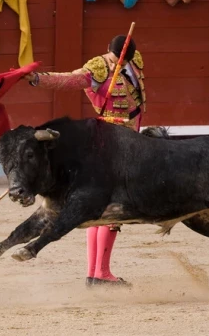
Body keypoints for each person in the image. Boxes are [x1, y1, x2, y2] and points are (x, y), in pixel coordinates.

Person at [24, 34, 146, 288]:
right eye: (116, 58)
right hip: (109, 145)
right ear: (108, 52)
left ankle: (95, 273)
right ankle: (101, 273)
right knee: (113, 209)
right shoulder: (98, 68)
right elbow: (70, 79)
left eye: (123, 59)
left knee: (99, 209)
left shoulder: (135, 63)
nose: (119, 63)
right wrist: (38, 79)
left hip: (129, 141)